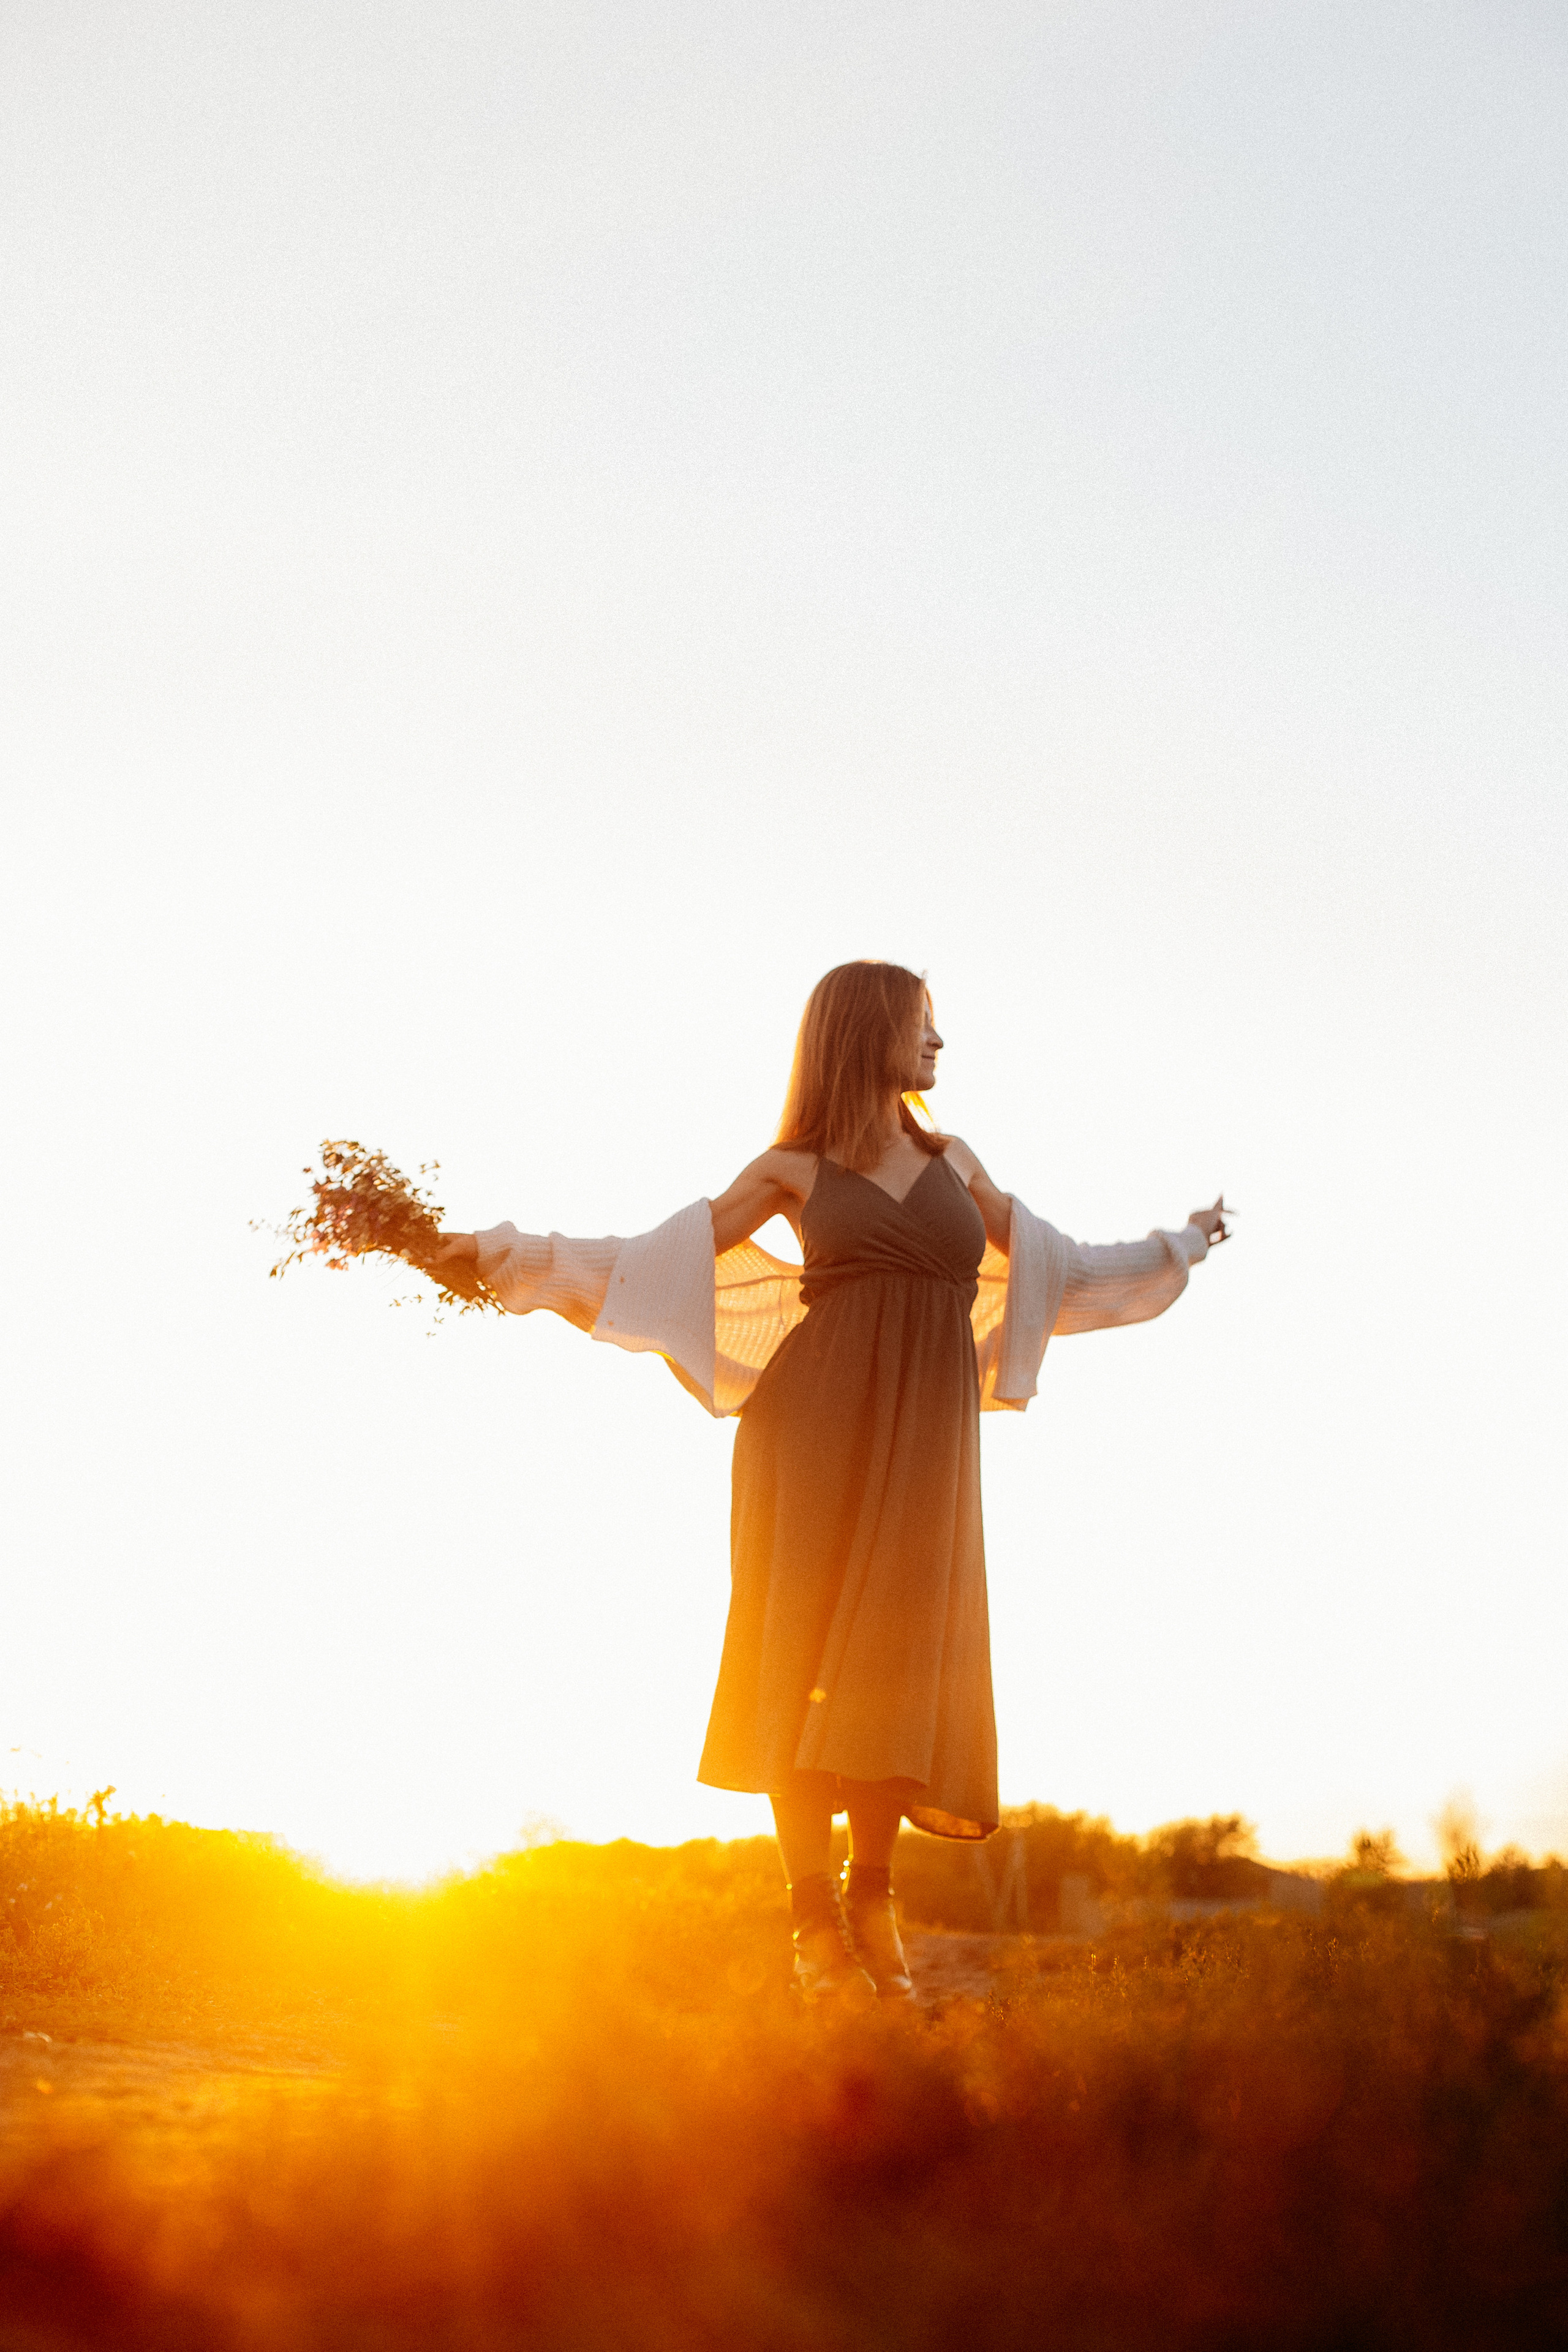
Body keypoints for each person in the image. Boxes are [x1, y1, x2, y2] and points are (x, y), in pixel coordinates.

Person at [432, 962, 1227, 2006]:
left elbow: (1056, 1267)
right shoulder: (790, 1171)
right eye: (921, 1023)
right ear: (866, 1032)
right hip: (807, 1434)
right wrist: (502, 1256)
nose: (939, 1043)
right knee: (798, 1654)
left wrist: (1181, 1244)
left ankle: (873, 1895)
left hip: (928, 1448)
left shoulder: (955, 1162)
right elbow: (651, 1260)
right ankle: (814, 1921)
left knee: (899, 1659)